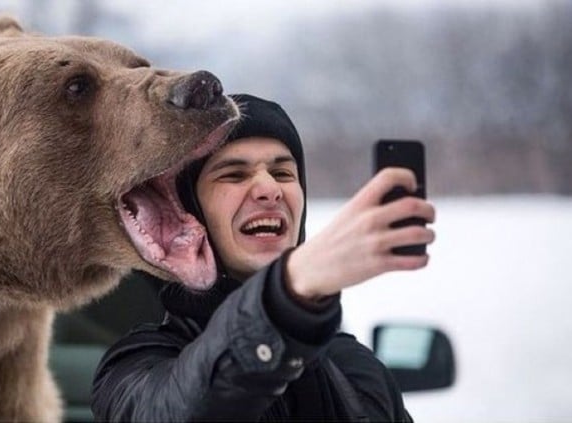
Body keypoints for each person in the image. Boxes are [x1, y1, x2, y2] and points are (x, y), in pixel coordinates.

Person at [90, 94, 435, 421]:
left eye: (283, 173)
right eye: (234, 174)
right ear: (188, 211)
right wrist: (289, 289)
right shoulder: (132, 367)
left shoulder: (354, 365)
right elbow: (181, 408)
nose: (270, 189)